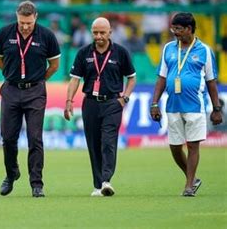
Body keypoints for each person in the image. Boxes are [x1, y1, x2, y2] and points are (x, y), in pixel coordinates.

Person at [0, 0, 60, 198]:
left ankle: (36, 184)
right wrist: (11, 74)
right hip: (11, 90)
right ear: (17, 17)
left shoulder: (47, 36)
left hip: (35, 92)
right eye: (22, 22)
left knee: (35, 138)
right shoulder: (4, 33)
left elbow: (54, 65)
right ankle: (11, 173)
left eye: (29, 23)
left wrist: (38, 81)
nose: (25, 26)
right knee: (8, 138)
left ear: (36, 18)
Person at [150, 12, 223, 197]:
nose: (175, 32)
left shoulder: (204, 50)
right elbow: (161, 77)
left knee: (192, 145)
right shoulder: (168, 48)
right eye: (173, 28)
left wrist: (216, 109)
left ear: (189, 29)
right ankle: (193, 178)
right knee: (175, 147)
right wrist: (154, 103)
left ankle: (189, 185)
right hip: (173, 105)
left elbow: (211, 81)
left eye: (178, 29)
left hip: (195, 106)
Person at [63, 17, 136, 197]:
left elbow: (132, 78)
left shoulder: (121, 52)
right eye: (95, 32)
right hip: (90, 103)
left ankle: (106, 180)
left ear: (110, 33)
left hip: (113, 103)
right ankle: (98, 185)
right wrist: (69, 101)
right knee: (93, 144)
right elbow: (74, 79)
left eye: (102, 32)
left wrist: (124, 98)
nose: (99, 36)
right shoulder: (83, 53)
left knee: (108, 142)